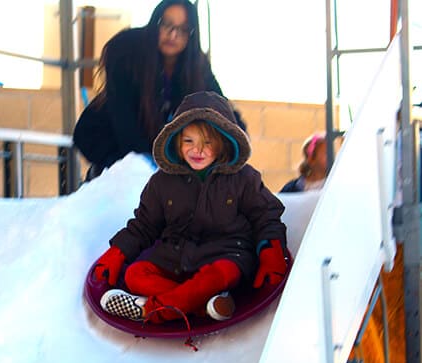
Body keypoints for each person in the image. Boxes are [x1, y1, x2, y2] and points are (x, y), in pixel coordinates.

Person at [92, 91, 288, 324]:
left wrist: (271, 250)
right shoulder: (163, 182)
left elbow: (265, 215)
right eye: (189, 141)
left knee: (221, 274)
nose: (198, 150)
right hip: (176, 257)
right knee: (135, 275)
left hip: (227, 253)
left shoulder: (242, 178)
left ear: (223, 144)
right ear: (176, 141)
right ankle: (204, 306)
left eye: (208, 142)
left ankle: (152, 310)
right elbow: (144, 225)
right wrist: (118, 252)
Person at [73, 0, 245, 181]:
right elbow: (125, 122)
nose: (173, 35)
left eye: (183, 29)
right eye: (167, 25)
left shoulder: (196, 66)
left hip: (156, 160)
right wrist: (153, 168)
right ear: (155, 23)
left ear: (191, 35)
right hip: (113, 146)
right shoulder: (128, 56)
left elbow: (221, 109)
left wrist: (233, 149)